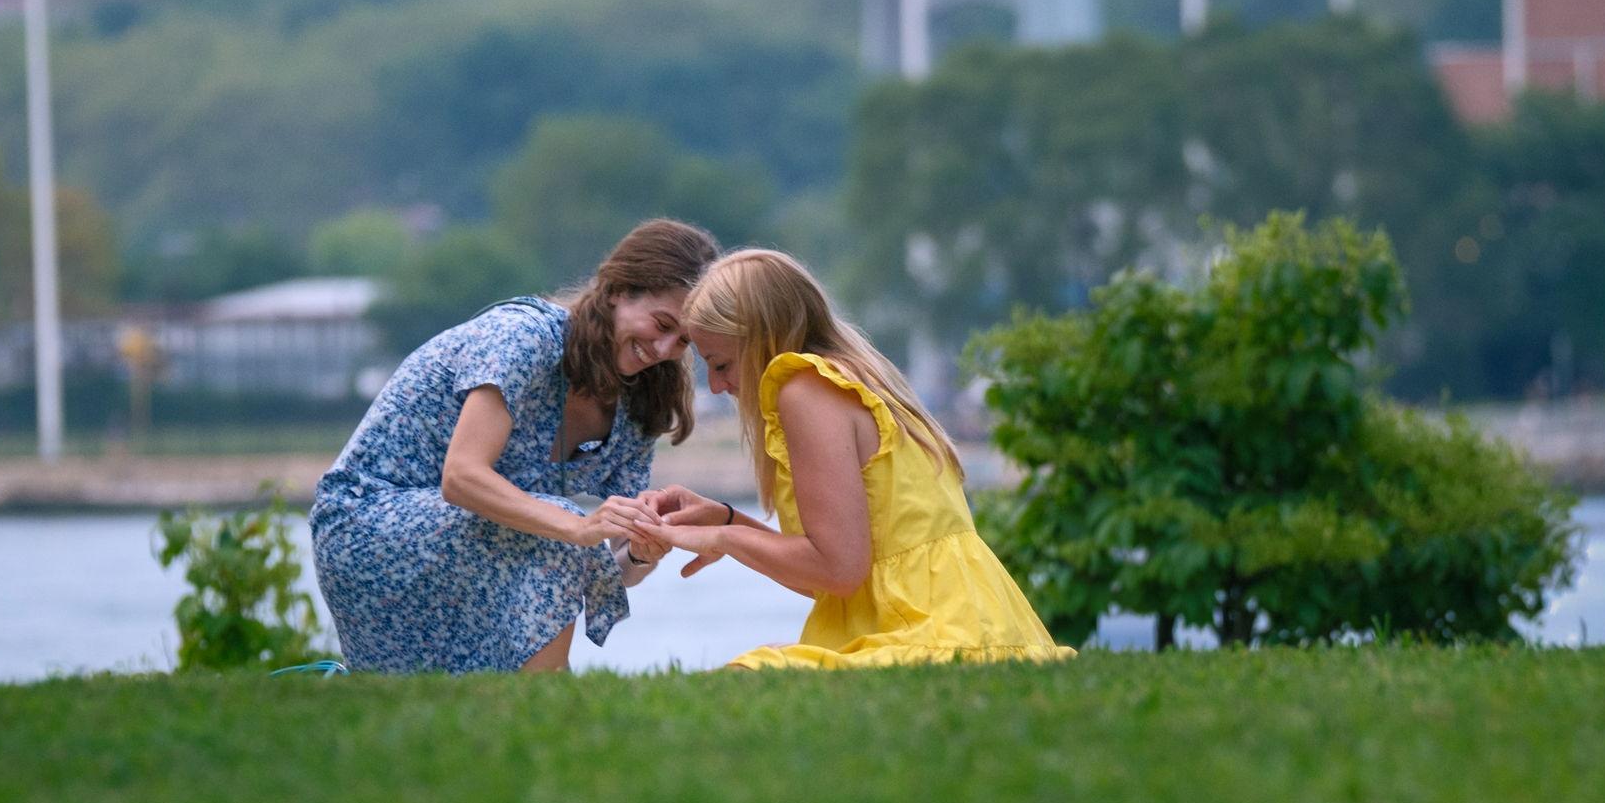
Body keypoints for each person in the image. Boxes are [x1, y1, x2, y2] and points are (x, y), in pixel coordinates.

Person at [310, 218, 720, 673]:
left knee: (557, 532)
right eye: (661, 324)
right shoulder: (524, 337)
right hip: (362, 525)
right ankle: (549, 701)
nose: (663, 349)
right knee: (558, 525)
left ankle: (535, 699)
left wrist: (643, 550)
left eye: (682, 340)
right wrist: (576, 527)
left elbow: (610, 567)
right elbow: (461, 478)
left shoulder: (640, 402)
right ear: (618, 291)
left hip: (469, 543)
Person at [634, 248, 1073, 672]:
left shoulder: (805, 390)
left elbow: (839, 570)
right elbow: (838, 577)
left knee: (746, 675)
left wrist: (722, 539)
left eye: (721, 364)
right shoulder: (849, 378)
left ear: (763, 341)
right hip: (967, 620)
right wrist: (727, 521)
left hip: (933, 632)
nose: (716, 386)